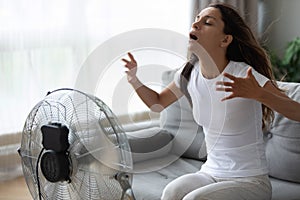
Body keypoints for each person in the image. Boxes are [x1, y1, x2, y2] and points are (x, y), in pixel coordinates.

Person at [121, 3, 295, 200]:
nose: (196, 25)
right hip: (210, 173)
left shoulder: (242, 73)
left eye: (207, 22)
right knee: (171, 192)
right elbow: (157, 103)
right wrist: (134, 80)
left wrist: (258, 94)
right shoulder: (188, 73)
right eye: (196, 20)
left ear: (225, 39)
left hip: (249, 180)